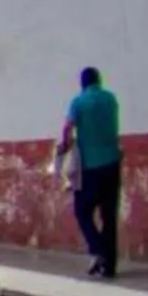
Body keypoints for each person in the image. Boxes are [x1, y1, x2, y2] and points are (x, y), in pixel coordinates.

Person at [56, 67, 123, 280]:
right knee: (109, 215)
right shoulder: (111, 99)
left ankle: (98, 249)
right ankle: (109, 266)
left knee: (82, 210)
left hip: (90, 166)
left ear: (82, 83)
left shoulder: (79, 102)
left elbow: (68, 128)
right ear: (99, 81)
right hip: (112, 162)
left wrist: (65, 147)